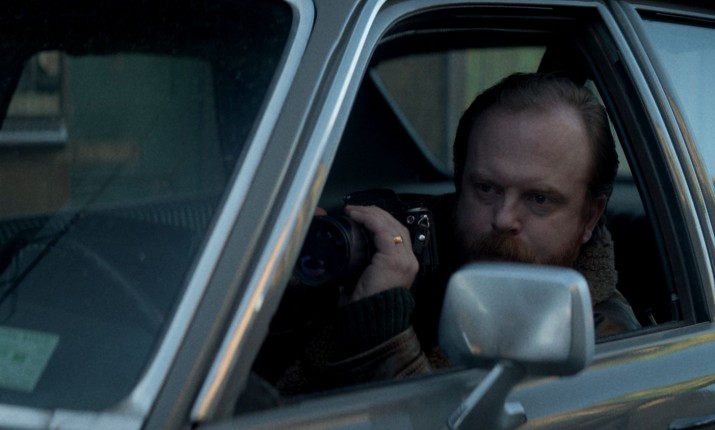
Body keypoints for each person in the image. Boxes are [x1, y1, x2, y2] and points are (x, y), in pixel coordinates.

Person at [269, 72, 640, 395]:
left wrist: (380, 334)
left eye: (540, 199)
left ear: (590, 217)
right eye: (486, 188)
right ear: (460, 185)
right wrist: (288, 293)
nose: (503, 219)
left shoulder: (604, 342)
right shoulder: (410, 255)